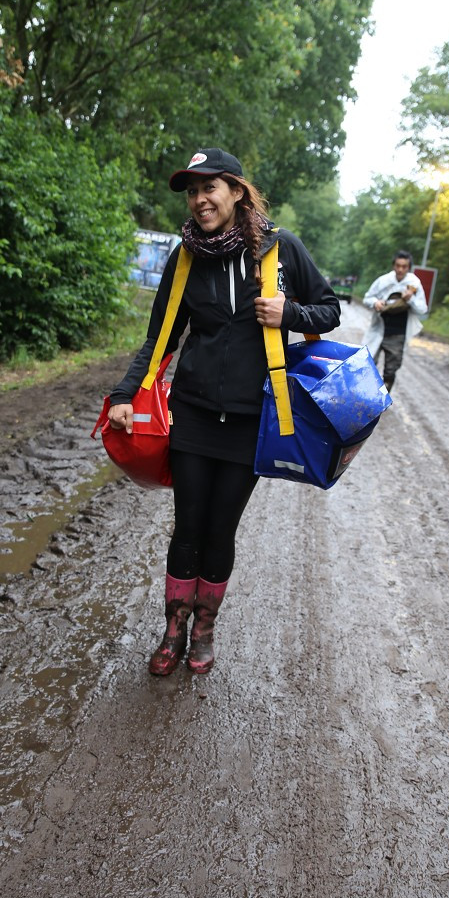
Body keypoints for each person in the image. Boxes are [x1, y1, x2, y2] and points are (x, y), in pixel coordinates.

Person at [107, 147, 341, 676]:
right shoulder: (185, 257)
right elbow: (159, 338)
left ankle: (204, 632)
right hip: (191, 413)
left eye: (208, 187)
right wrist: (125, 394)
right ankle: (173, 631)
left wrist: (290, 312)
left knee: (220, 530)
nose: (198, 199)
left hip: (249, 419)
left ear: (236, 191)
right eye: (192, 191)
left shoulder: (282, 250)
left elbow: (329, 311)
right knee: (186, 527)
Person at [362, 251, 428, 393]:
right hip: (378, 329)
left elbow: (422, 309)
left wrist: (410, 299)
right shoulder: (383, 281)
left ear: (408, 267)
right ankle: (367, 395)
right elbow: (367, 298)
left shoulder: (414, 284)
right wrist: (375, 303)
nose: (400, 270)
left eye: (404, 267)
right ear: (393, 265)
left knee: (391, 370)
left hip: (398, 334)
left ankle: (383, 397)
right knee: (368, 363)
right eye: (398, 266)